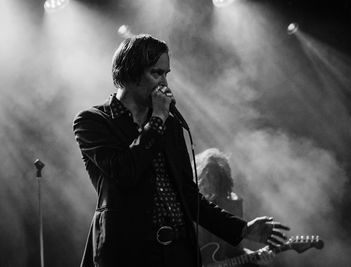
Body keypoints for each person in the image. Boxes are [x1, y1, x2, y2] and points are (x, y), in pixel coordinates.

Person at [73, 34, 290, 267]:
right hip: (127, 253)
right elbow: (126, 172)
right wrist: (156, 120)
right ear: (130, 72)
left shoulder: (169, 124)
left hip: (178, 252)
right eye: (156, 73)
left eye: (166, 74)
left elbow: (188, 195)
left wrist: (243, 229)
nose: (164, 83)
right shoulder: (94, 122)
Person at [196, 148, 274, 266]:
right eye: (208, 177)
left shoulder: (233, 205)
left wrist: (258, 255)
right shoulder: (193, 208)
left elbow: (236, 252)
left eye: (217, 179)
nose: (212, 183)